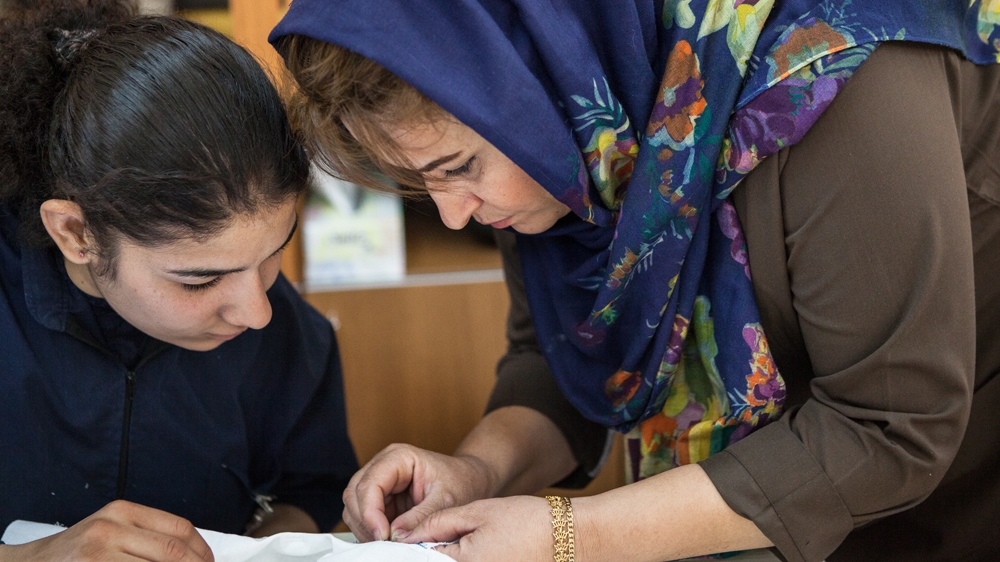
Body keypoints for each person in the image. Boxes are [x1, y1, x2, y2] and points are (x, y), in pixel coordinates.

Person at [269, 1, 1000, 561]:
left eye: (458, 169)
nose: (456, 217)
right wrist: (475, 470)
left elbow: (886, 429)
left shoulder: (841, 73)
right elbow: (566, 365)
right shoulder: (582, 127)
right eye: (424, 183)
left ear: (543, 80)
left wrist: (571, 532)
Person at [0, 1, 358, 560]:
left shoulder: (283, 328)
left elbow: (312, 488)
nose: (256, 312)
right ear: (76, 233)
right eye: (199, 280)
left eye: (273, 254)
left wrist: (260, 548)